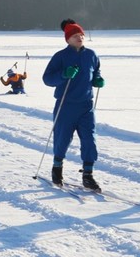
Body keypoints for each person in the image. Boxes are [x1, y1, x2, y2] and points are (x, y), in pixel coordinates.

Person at [42, 19, 105, 191]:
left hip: (86, 105)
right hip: (66, 105)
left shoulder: (91, 55)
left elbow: (96, 71)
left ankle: (88, 175)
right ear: (68, 39)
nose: (80, 38)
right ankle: (57, 169)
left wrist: (97, 80)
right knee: (62, 138)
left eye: (81, 35)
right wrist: (64, 74)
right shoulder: (60, 56)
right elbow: (47, 79)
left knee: (89, 140)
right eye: (75, 35)